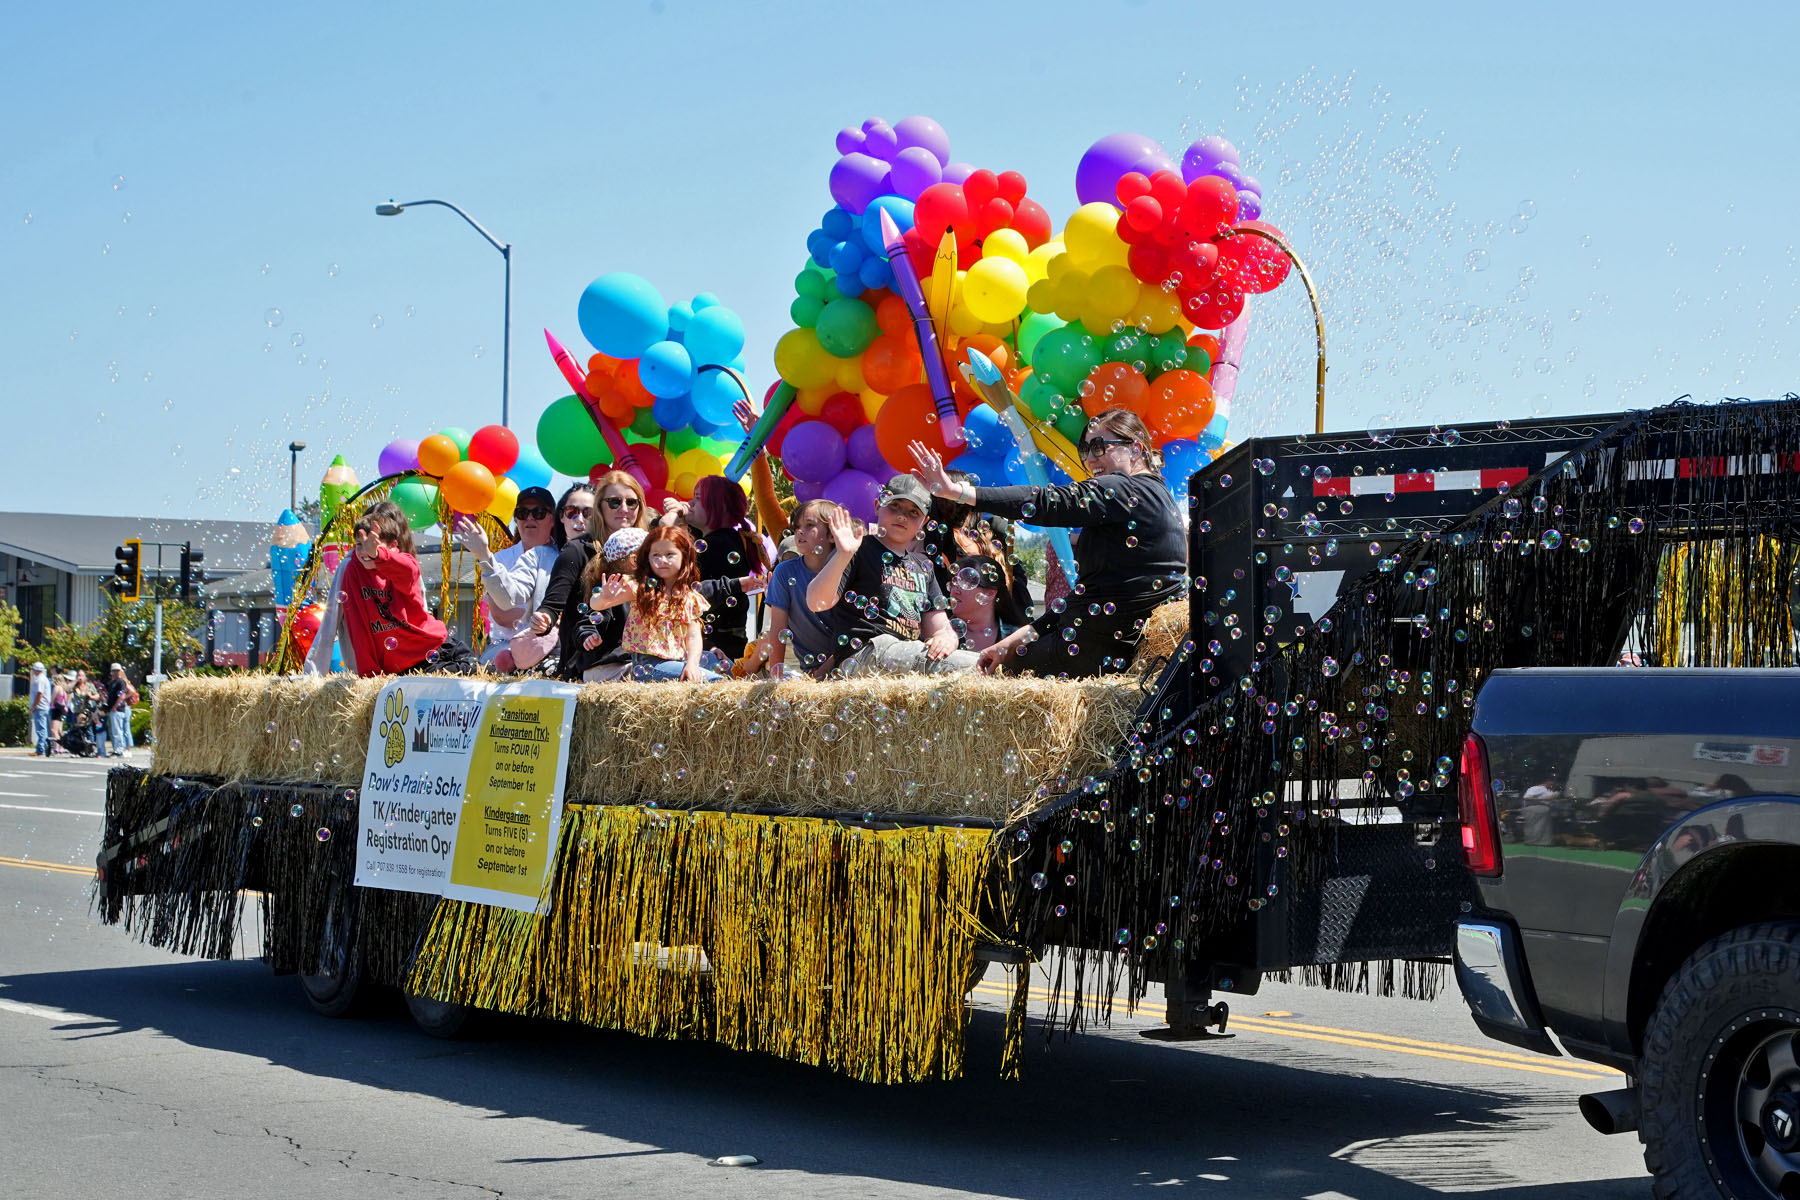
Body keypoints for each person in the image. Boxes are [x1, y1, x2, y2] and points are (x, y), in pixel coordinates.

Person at [909, 407, 1186, 678]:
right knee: (1000, 658)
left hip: (1095, 650)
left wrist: (957, 491)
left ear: (1136, 448)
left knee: (979, 673)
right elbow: (1084, 597)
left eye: (1100, 446)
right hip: (1109, 648)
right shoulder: (1159, 496)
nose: (1090, 459)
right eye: (1085, 450)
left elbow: (1045, 501)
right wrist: (1014, 640)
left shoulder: (1128, 489)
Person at [805, 475, 978, 676]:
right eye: (895, 506)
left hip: (905, 654)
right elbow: (816, 602)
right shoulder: (857, 550)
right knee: (974, 667)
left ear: (924, 522)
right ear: (878, 506)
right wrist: (843, 555)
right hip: (864, 652)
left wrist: (947, 638)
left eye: (913, 512)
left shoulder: (924, 566)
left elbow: (939, 627)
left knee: (975, 663)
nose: (902, 516)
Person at [305, 501, 472, 676]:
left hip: (435, 648)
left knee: (476, 672)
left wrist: (379, 555)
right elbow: (332, 624)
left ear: (395, 542)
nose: (367, 549)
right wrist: (313, 674)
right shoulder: (351, 568)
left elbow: (419, 609)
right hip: (408, 667)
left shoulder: (405, 564)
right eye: (362, 543)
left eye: (375, 541)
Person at [534, 475, 650, 680]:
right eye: (614, 502)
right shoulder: (577, 550)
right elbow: (553, 603)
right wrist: (545, 618)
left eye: (631, 502)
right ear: (599, 507)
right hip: (591, 660)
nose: (624, 508)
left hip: (639, 657)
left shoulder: (651, 550)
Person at [587, 525, 719, 682]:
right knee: (714, 681)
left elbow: (693, 636)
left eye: (670, 554)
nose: (662, 560)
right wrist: (604, 597)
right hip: (648, 665)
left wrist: (692, 664)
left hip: (678, 659)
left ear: (685, 556)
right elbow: (596, 605)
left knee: (726, 668)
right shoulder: (640, 587)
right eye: (656, 555)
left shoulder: (690, 597)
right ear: (647, 558)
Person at [455, 485, 558, 670]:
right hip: (506, 648)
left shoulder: (563, 557)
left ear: (553, 519)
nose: (529, 518)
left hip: (554, 647)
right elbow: (501, 615)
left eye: (539, 512)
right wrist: (549, 620)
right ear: (516, 519)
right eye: (522, 512)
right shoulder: (499, 559)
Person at [680, 475, 772, 661]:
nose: (690, 503)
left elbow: (697, 595)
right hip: (723, 643)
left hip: (716, 647)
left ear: (717, 507)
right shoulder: (727, 539)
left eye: (698, 498)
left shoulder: (719, 544)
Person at [923, 471, 1033, 620]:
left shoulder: (938, 538)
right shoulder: (989, 535)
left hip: (977, 620)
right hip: (986, 621)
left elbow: (1017, 581)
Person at [766, 499, 852, 680]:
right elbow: (777, 630)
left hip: (848, 664)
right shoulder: (784, 572)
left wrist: (823, 672)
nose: (799, 531)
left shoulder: (848, 569)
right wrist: (775, 678)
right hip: (810, 671)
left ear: (832, 534)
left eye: (809, 525)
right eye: (796, 526)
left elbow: (852, 631)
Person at [947, 554, 1025, 652]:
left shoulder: (1017, 638)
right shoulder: (940, 634)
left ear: (990, 594)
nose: (954, 591)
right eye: (953, 584)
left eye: (964, 584)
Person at [103, 663, 139, 757]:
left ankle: (120, 749)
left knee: (118, 730)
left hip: (118, 709)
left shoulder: (120, 682)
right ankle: (116, 748)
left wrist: (115, 706)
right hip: (112, 709)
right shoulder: (112, 683)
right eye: (114, 670)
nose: (115, 672)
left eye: (117, 670)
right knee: (114, 730)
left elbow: (122, 695)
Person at [27, 663, 51, 756]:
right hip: (43, 707)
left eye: (33, 670)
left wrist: (34, 706)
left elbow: (39, 694)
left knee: (41, 729)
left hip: (40, 707)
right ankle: (43, 748)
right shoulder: (43, 679)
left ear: (36, 670)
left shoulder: (39, 680)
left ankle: (41, 749)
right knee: (43, 728)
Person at [47, 672, 70, 756]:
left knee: (54, 730)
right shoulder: (64, 690)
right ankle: (63, 746)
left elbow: (52, 699)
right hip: (63, 710)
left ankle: (57, 748)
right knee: (60, 730)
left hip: (56, 710)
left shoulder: (56, 688)